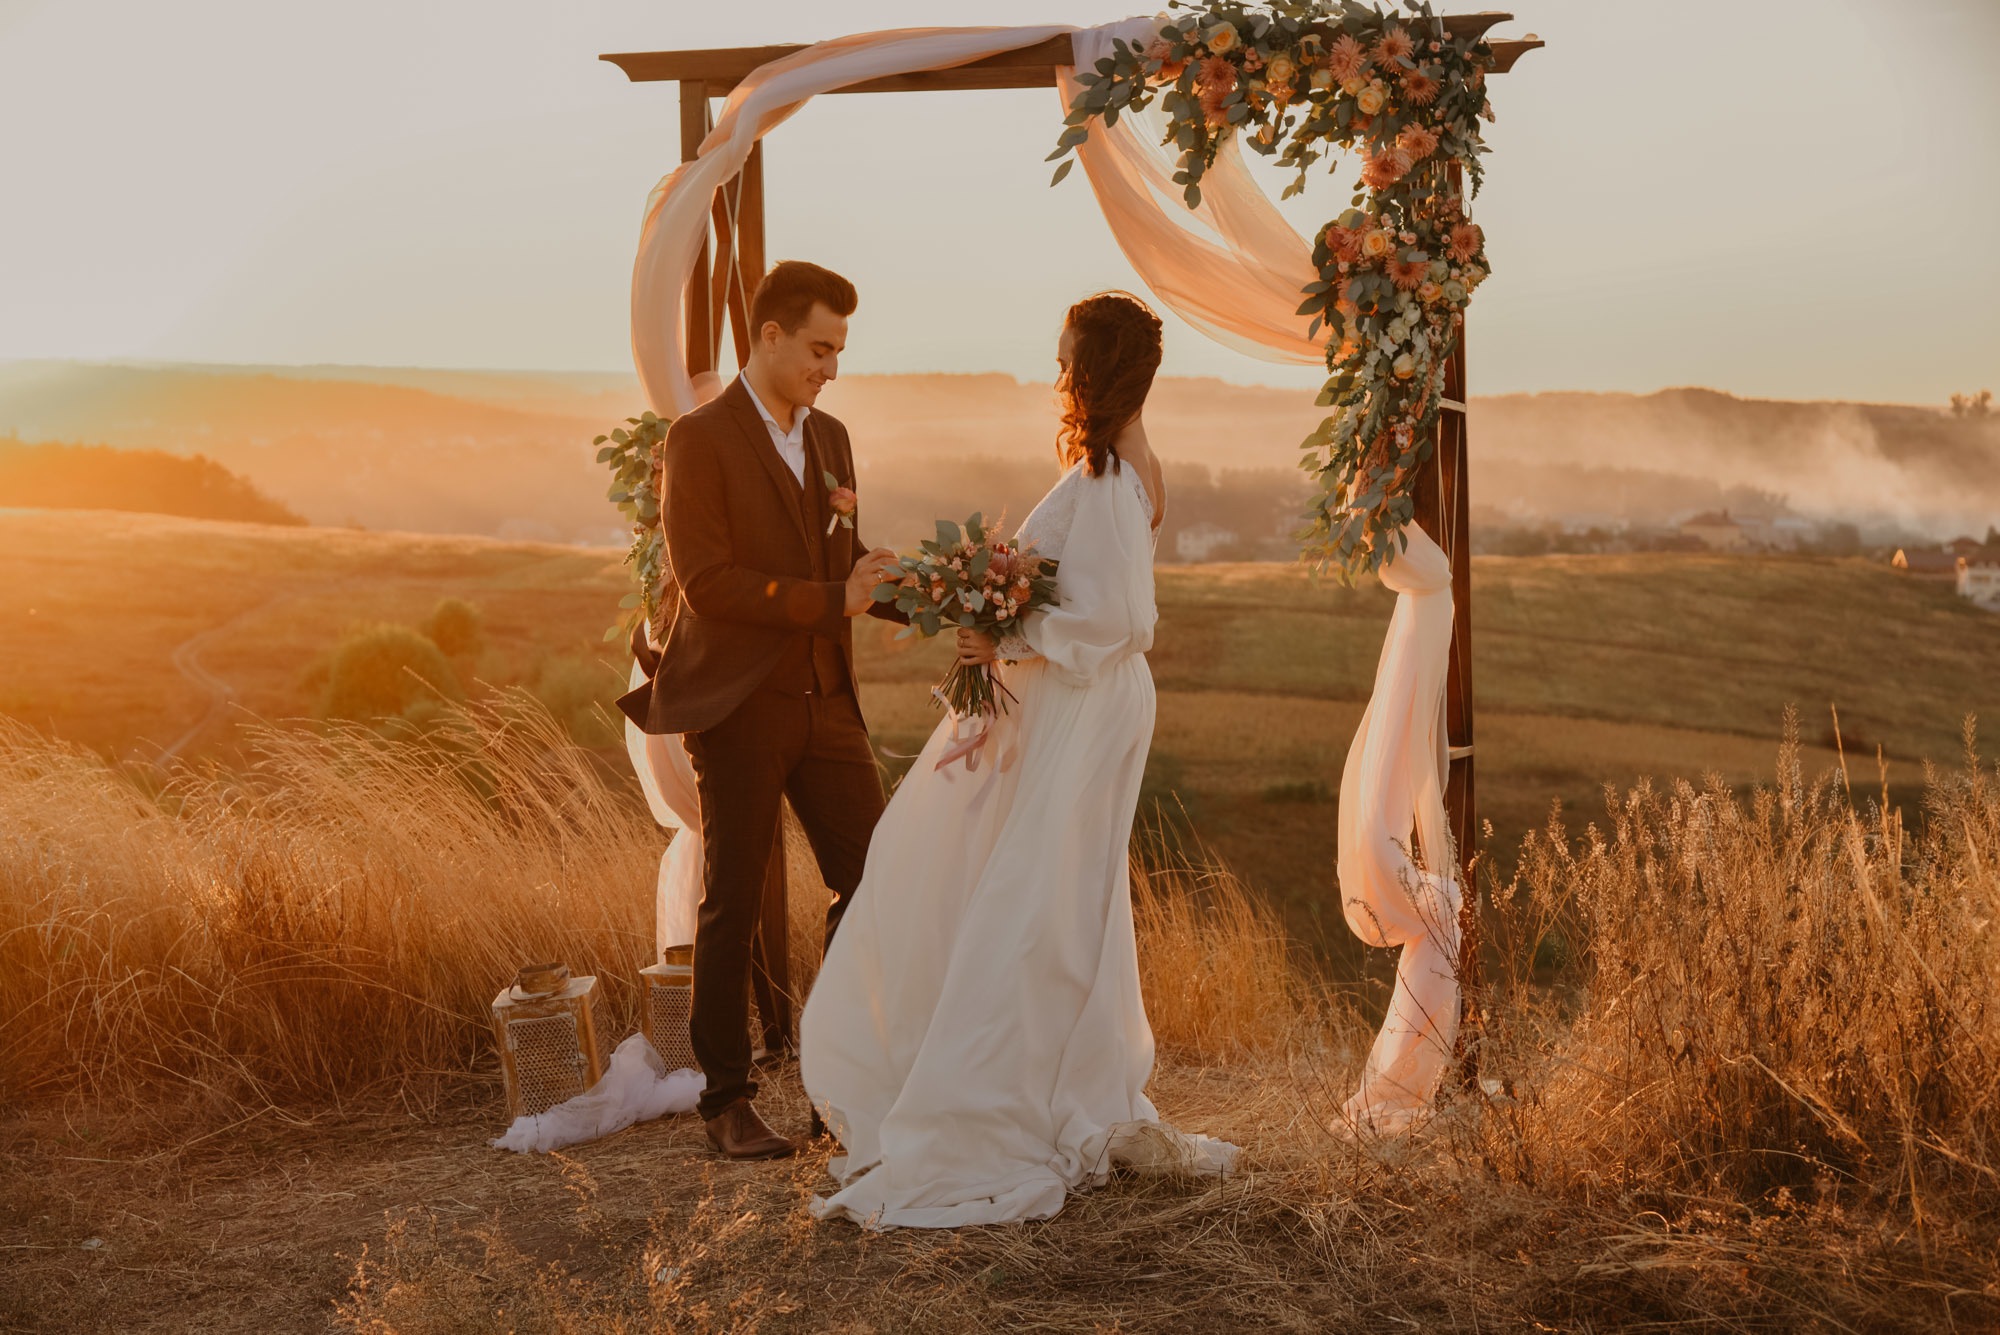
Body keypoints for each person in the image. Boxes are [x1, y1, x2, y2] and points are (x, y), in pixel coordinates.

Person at [797, 291, 1238, 1229]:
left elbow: (1121, 622)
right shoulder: (1104, 464)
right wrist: (993, 621)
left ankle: (991, 1099)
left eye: (1070, 357)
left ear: (1102, 372)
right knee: (1036, 891)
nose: (1059, 372)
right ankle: (1030, 1073)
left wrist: (1010, 631)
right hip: (1065, 702)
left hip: (1084, 707)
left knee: (1033, 901)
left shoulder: (1115, 476)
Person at [618, 260, 904, 1160]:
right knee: (733, 899)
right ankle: (726, 1097)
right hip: (738, 706)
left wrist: (956, 595)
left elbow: (845, 557)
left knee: (876, 882)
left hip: (829, 704)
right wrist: (834, 601)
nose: (831, 367)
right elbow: (707, 583)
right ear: (770, 336)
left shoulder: (835, 439)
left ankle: (840, 1076)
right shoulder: (699, 440)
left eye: (840, 351)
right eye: (821, 347)